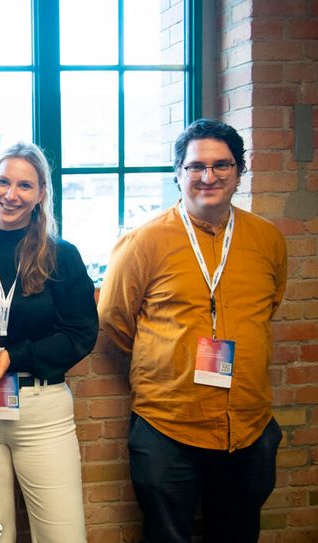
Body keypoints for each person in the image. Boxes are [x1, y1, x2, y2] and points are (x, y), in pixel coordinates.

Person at [98, 119, 288, 543]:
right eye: (196, 166)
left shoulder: (268, 240)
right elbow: (115, 318)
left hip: (249, 427)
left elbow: (268, 306)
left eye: (222, 165)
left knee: (238, 535)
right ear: (178, 173)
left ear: (241, 170)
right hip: (169, 426)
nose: (208, 177)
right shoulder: (143, 242)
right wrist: (170, 356)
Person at [0, 142, 98, 542]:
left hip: (41, 410)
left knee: (63, 535)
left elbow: (81, 333)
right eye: (3, 182)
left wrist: (18, 355)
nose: (11, 195)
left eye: (25, 186)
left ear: (41, 194)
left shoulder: (62, 255)